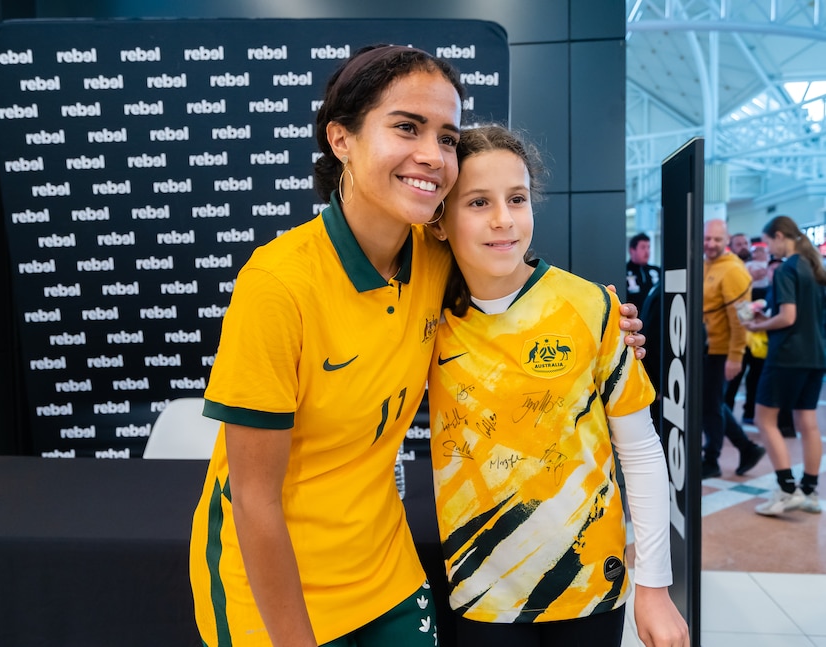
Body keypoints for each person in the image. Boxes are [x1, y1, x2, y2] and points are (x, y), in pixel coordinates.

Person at [187, 45, 646, 647]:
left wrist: (609, 319)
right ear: (341, 139)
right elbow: (251, 499)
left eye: (448, 137)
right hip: (274, 588)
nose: (432, 155)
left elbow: (525, 289)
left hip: (389, 574)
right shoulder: (277, 285)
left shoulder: (435, 257)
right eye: (407, 127)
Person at [426, 125, 689, 647]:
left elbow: (638, 448)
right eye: (478, 202)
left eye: (517, 198)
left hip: (592, 583)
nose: (504, 219)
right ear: (439, 220)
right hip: (481, 592)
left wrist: (654, 585)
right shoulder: (422, 315)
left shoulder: (592, 307)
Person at [741, 215, 826, 516]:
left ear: (779, 236)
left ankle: (787, 488)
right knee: (808, 423)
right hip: (816, 355)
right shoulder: (815, 268)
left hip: (788, 355)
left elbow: (788, 317)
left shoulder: (788, 268)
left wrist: (758, 327)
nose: (769, 248)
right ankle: (810, 491)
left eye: (769, 241)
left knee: (765, 420)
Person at [702, 219, 766, 479]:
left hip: (721, 350)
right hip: (706, 348)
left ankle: (712, 459)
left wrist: (735, 356)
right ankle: (747, 448)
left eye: (717, 239)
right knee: (711, 403)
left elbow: (742, 319)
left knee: (711, 406)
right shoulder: (706, 265)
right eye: (707, 238)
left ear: (726, 240)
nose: (711, 244)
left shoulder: (733, 271)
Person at [724, 242, 770, 424]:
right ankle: (726, 417)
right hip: (736, 335)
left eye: (746, 243)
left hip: (759, 334)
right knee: (732, 378)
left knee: (756, 376)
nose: (743, 246)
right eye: (739, 243)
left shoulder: (767, 268)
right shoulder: (733, 271)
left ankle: (749, 413)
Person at [626, 232, 660, 312]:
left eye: (648, 247)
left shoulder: (657, 271)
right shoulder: (624, 272)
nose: (647, 251)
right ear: (632, 250)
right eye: (643, 247)